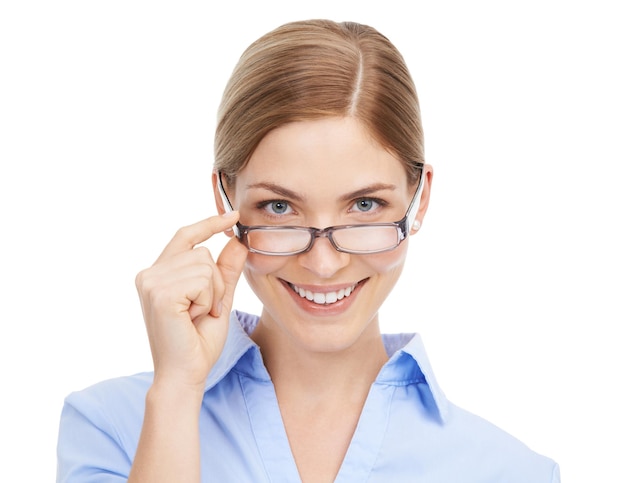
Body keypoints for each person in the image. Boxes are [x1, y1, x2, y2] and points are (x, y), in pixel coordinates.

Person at [56, 19, 560, 482]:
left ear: (419, 198)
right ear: (225, 199)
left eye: (365, 204)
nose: (323, 264)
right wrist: (176, 393)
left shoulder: (514, 472)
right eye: (279, 207)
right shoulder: (112, 429)